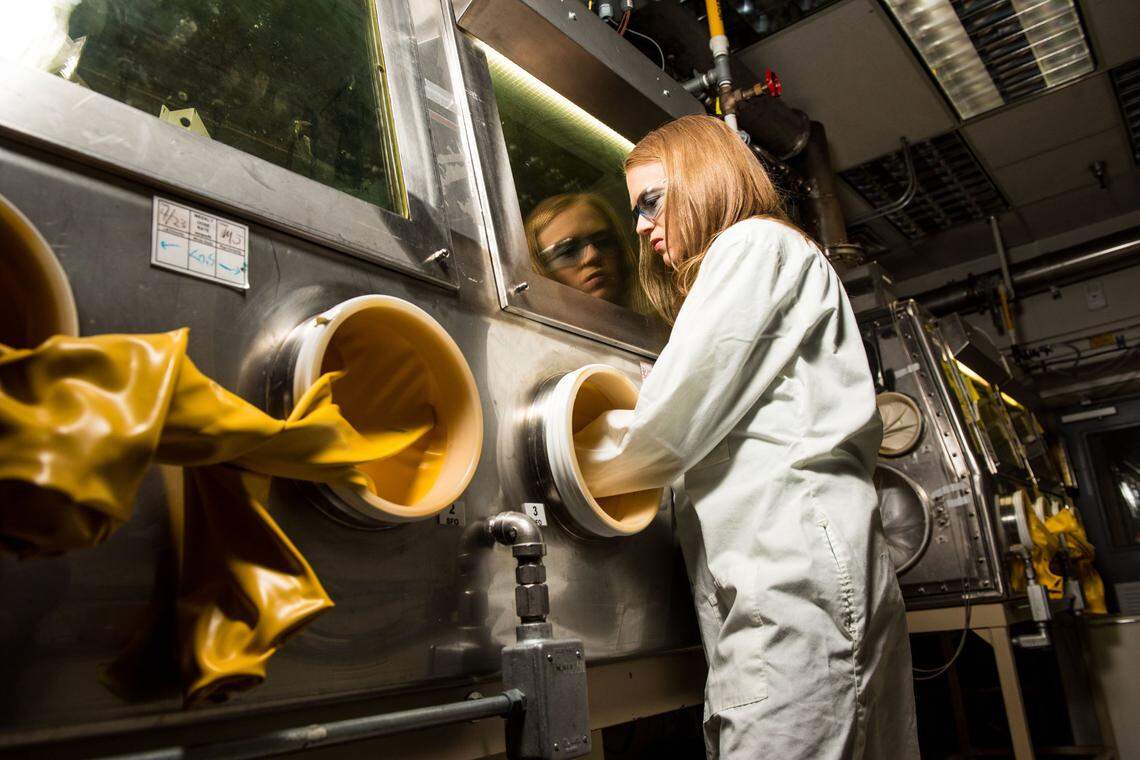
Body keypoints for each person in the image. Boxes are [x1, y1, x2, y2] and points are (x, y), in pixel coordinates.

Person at [573, 115, 919, 759]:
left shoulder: (753, 247)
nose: (642, 227)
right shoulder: (772, 257)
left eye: (652, 201)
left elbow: (668, 426)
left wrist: (561, 460)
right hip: (817, 579)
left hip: (798, 589)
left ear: (704, 178)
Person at [524, 192, 642, 308]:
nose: (592, 255)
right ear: (540, 269)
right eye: (568, 251)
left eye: (603, 242)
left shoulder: (654, 321)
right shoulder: (523, 327)